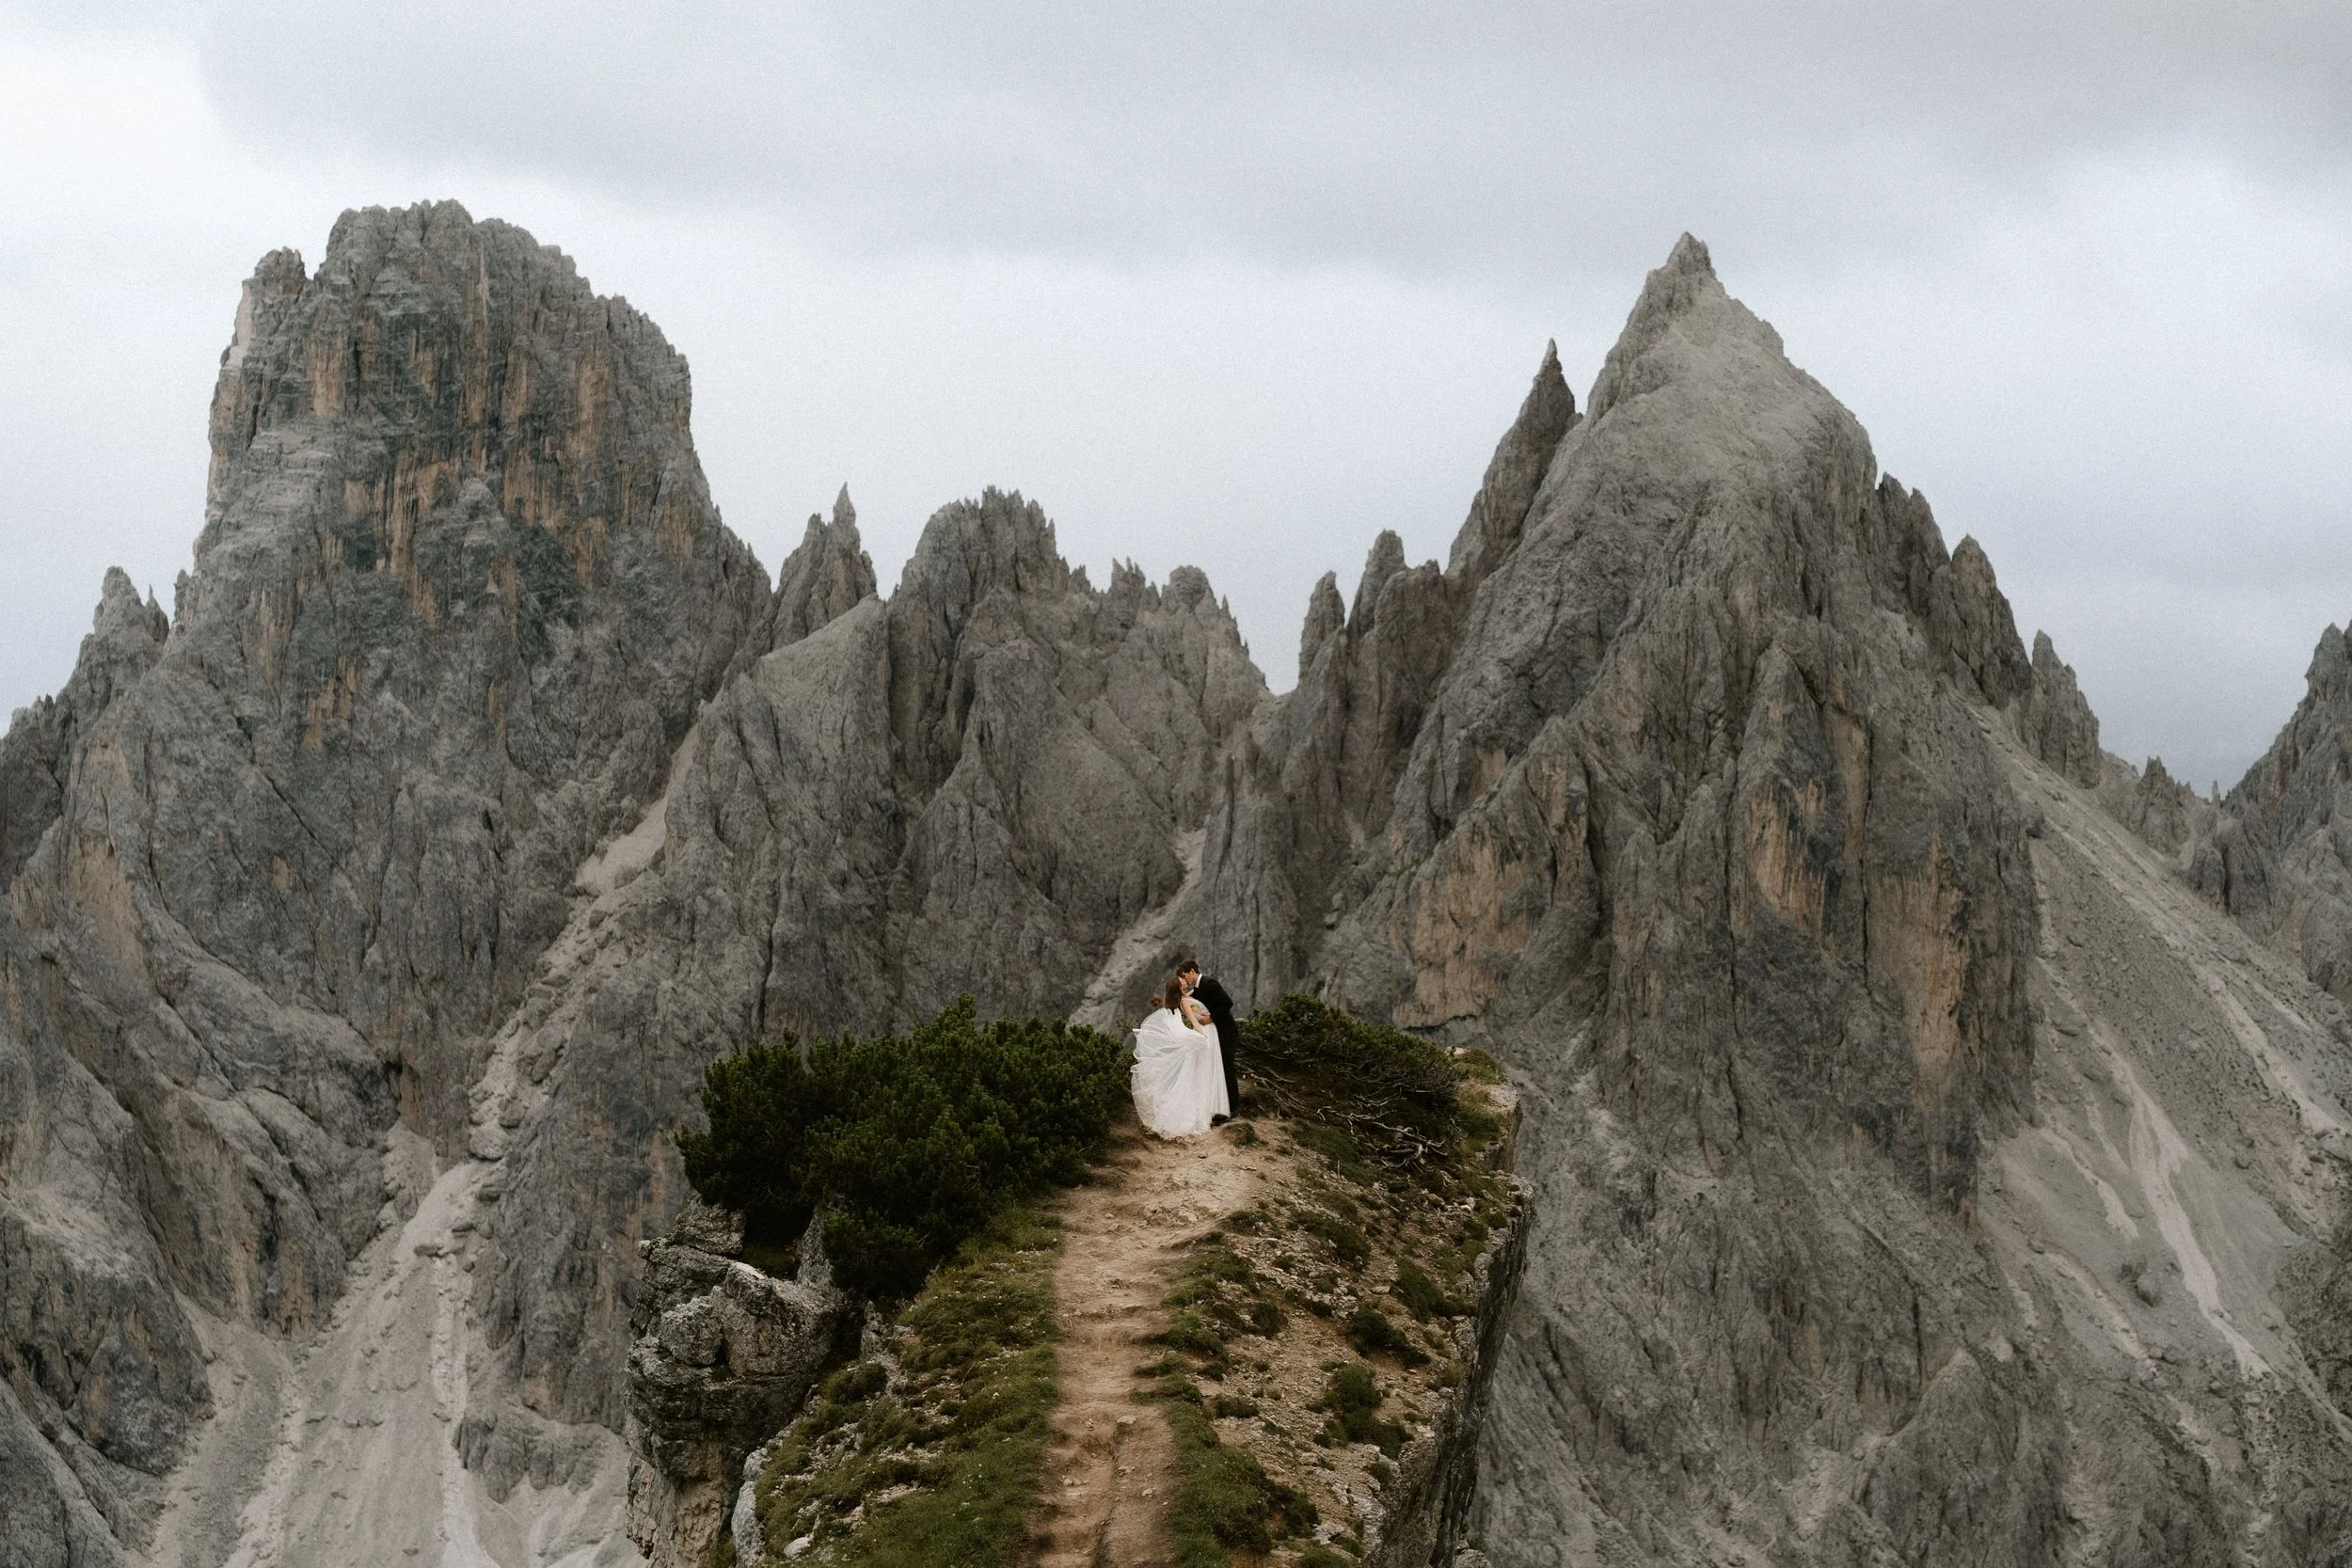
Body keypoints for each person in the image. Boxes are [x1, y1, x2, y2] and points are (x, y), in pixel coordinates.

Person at [1130, 968, 1230, 1137]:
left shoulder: (1187, 996)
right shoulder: (1184, 1002)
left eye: (1183, 979)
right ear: (1179, 987)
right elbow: (1193, 1020)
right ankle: (1201, 1111)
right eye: (1180, 981)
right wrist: (1203, 1036)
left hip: (1209, 1029)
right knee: (1201, 1072)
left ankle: (1211, 1108)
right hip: (1206, 1032)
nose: (1183, 980)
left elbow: (1196, 993)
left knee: (1203, 1071)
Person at [1177, 959, 1241, 1120]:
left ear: (1192, 971)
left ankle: (1233, 1108)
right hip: (1217, 1033)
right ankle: (1222, 1106)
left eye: (1185, 976)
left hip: (1226, 1031)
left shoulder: (1209, 983)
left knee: (1227, 1067)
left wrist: (1212, 1017)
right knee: (1219, 1067)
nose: (1186, 981)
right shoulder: (1198, 988)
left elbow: (1227, 1003)